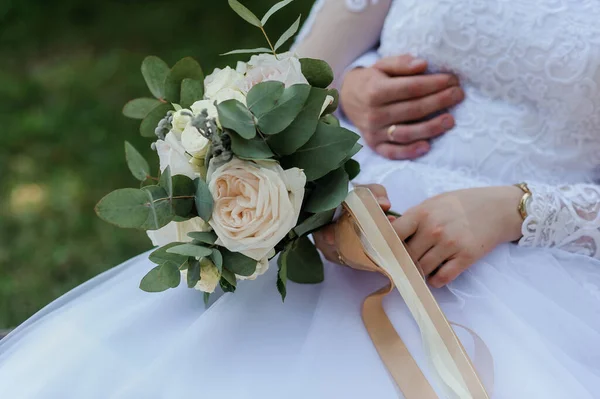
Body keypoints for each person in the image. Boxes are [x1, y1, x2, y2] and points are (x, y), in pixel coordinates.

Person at [2, 0, 600, 398]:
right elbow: (293, 72)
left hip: (538, 256)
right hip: (347, 219)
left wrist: (520, 209)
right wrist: (346, 89)